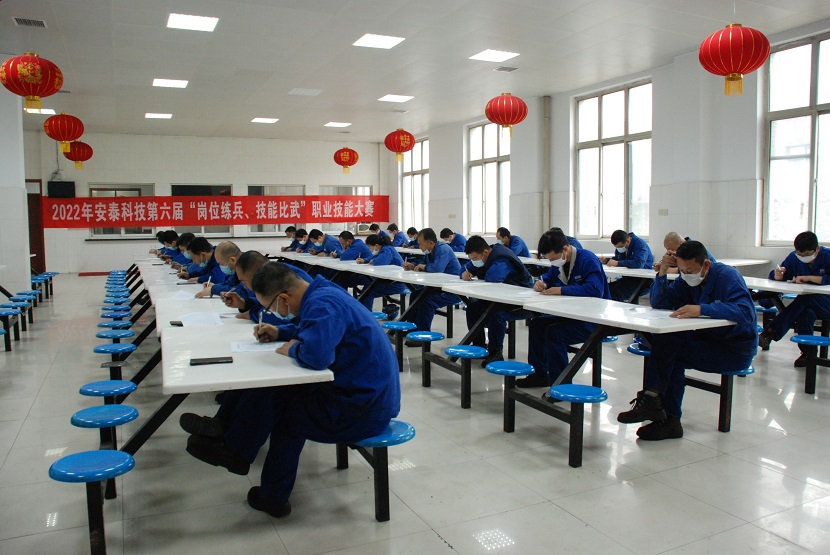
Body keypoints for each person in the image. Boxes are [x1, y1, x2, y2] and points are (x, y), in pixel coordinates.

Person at [181, 262, 401, 518]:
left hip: (365, 409)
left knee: (286, 419)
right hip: (359, 393)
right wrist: (280, 331)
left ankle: (272, 497)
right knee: (274, 387)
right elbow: (312, 328)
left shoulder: (322, 304)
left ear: (284, 298)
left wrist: (294, 348)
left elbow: (317, 357)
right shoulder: (322, 292)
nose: (273, 313)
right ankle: (230, 443)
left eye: (271, 308)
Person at [617, 241, 757, 440]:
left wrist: (702, 309)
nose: (686, 274)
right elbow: (660, 302)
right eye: (681, 270)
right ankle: (654, 402)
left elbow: (746, 312)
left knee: (671, 355)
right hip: (708, 338)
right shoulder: (687, 278)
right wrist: (662, 273)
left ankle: (664, 413)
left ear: (706, 265)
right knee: (667, 339)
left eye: (689, 270)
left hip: (734, 348)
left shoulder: (727, 275)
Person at [519, 231, 611, 388]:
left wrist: (561, 290)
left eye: (553, 259)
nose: (552, 262)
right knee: (536, 324)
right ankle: (539, 375)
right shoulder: (559, 263)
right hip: (572, 314)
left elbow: (595, 289)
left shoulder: (587, 259)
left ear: (566, 249)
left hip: (594, 319)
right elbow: (548, 278)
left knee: (555, 333)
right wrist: (541, 284)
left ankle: (561, 384)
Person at [758, 231, 830, 366]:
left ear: (817, 249)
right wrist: (778, 276)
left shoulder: (827, 256)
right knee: (805, 312)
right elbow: (780, 273)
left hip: (827, 303)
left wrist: (808, 278)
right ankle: (808, 354)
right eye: (799, 254)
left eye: (807, 254)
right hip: (809, 303)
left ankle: (770, 332)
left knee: (806, 298)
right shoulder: (794, 257)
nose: (802, 257)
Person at [461, 235, 534, 366]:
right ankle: (479, 346)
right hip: (501, 297)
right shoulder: (483, 257)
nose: (474, 261)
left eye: (475, 258)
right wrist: (464, 273)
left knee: (496, 315)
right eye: (471, 258)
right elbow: (465, 267)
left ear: (485, 252)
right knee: (472, 308)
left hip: (521, 300)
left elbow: (493, 278)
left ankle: (495, 353)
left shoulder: (502, 257)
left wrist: (476, 270)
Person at [401, 227, 462, 337]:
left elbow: (437, 268)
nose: (419, 247)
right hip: (439, 287)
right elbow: (423, 264)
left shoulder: (444, 249)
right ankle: (412, 330)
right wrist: (413, 266)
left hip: (453, 290)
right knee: (415, 295)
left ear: (431, 243)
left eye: (421, 244)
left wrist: (423, 267)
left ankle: (422, 335)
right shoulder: (430, 252)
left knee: (427, 302)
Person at [222, 251, 312, 325]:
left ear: (257, 276)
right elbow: (271, 301)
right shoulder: (274, 272)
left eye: (244, 282)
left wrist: (254, 314)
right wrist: (245, 304)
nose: (244, 286)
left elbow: (285, 316)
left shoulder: (283, 277)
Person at [355, 234, 408, 311]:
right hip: (390, 280)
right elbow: (373, 257)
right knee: (368, 287)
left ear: (376, 245)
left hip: (397, 284)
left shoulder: (387, 250)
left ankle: (365, 315)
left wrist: (373, 261)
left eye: (369, 247)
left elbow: (380, 261)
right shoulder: (384, 249)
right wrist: (364, 260)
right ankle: (364, 313)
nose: (369, 249)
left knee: (368, 291)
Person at [600, 229, 654, 302]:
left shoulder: (640, 244)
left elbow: (639, 263)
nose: (619, 249)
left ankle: (618, 307)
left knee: (617, 292)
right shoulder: (621, 247)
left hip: (642, 280)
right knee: (607, 288)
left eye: (620, 247)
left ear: (628, 241)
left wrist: (617, 263)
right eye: (617, 247)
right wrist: (608, 260)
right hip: (628, 278)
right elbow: (619, 259)